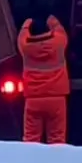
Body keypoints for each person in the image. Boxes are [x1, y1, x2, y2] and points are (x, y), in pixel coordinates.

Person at [17, 15, 70, 144]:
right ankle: (57, 157)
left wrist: (26, 24)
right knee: (57, 139)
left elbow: (21, 38)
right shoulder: (58, 44)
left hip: (33, 100)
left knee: (31, 139)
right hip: (57, 98)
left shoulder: (26, 48)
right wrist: (52, 20)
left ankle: (31, 157)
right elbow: (61, 31)